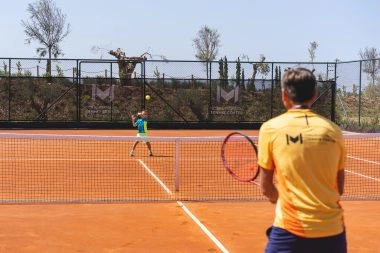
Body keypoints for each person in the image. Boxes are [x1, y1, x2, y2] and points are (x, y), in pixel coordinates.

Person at [258, 68, 347, 253]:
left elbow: (266, 188)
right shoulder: (334, 131)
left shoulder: (270, 129)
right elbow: (339, 188)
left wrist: (279, 200)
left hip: (290, 232)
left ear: (284, 95)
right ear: (314, 95)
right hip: (332, 233)